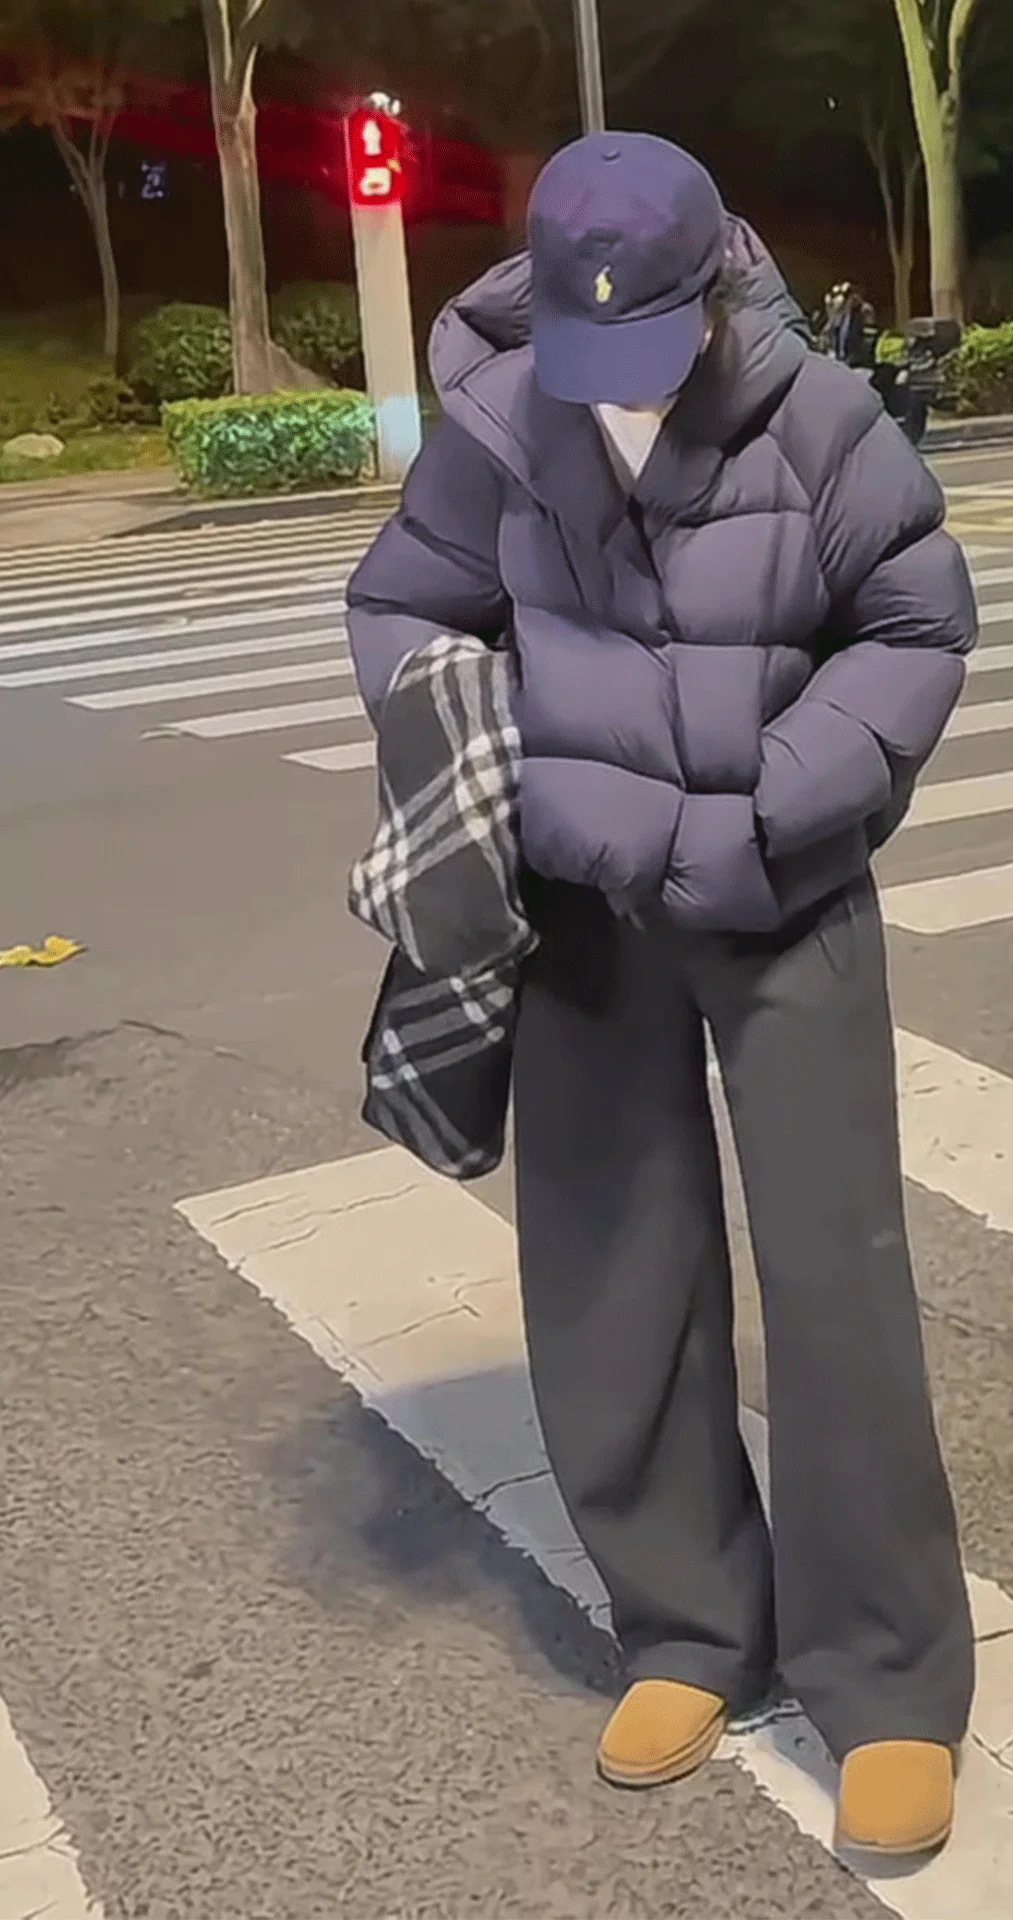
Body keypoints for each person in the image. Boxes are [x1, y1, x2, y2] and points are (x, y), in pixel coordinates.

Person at [346, 131, 979, 1861]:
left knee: (837, 1282)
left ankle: (892, 1681)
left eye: (651, 336)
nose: (614, 376)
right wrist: (479, 743)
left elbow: (917, 627)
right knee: (614, 1271)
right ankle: (691, 1626)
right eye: (585, 340)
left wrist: (768, 811)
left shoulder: (829, 427)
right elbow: (404, 606)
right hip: (582, 911)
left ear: (719, 289)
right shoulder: (499, 417)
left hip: (788, 899)